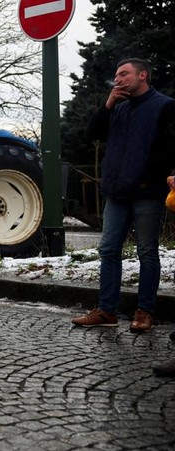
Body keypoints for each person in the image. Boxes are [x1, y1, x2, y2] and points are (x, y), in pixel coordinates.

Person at [72, 58, 175, 332]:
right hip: (116, 192)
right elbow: (90, 134)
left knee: (147, 252)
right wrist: (107, 105)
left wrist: (158, 175)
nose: (118, 79)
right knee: (108, 250)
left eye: (124, 74)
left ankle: (145, 312)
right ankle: (107, 310)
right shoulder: (117, 107)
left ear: (143, 75)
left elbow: (170, 147)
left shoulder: (164, 106)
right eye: (116, 74)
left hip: (147, 192)